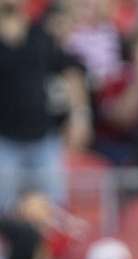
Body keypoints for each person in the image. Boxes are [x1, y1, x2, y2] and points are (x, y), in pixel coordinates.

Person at [0, 0, 92, 208]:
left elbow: (71, 70)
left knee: (57, 205)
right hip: (4, 139)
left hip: (43, 137)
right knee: (4, 209)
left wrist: (80, 116)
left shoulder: (39, 33)